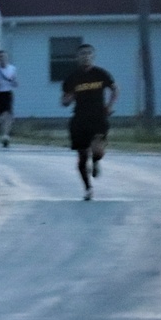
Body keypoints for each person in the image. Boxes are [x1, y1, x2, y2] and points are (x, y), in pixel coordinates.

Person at [61, 43, 118, 201]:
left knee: (98, 149)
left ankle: (96, 161)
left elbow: (115, 89)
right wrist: (68, 98)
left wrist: (109, 106)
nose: (85, 56)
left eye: (88, 53)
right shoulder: (72, 77)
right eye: (82, 54)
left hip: (98, 117)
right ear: (77, 57)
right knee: (82, 157)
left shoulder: (101, 74)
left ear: (93, 56)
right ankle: (87, 188)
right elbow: (64, 101)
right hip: (80, 119)